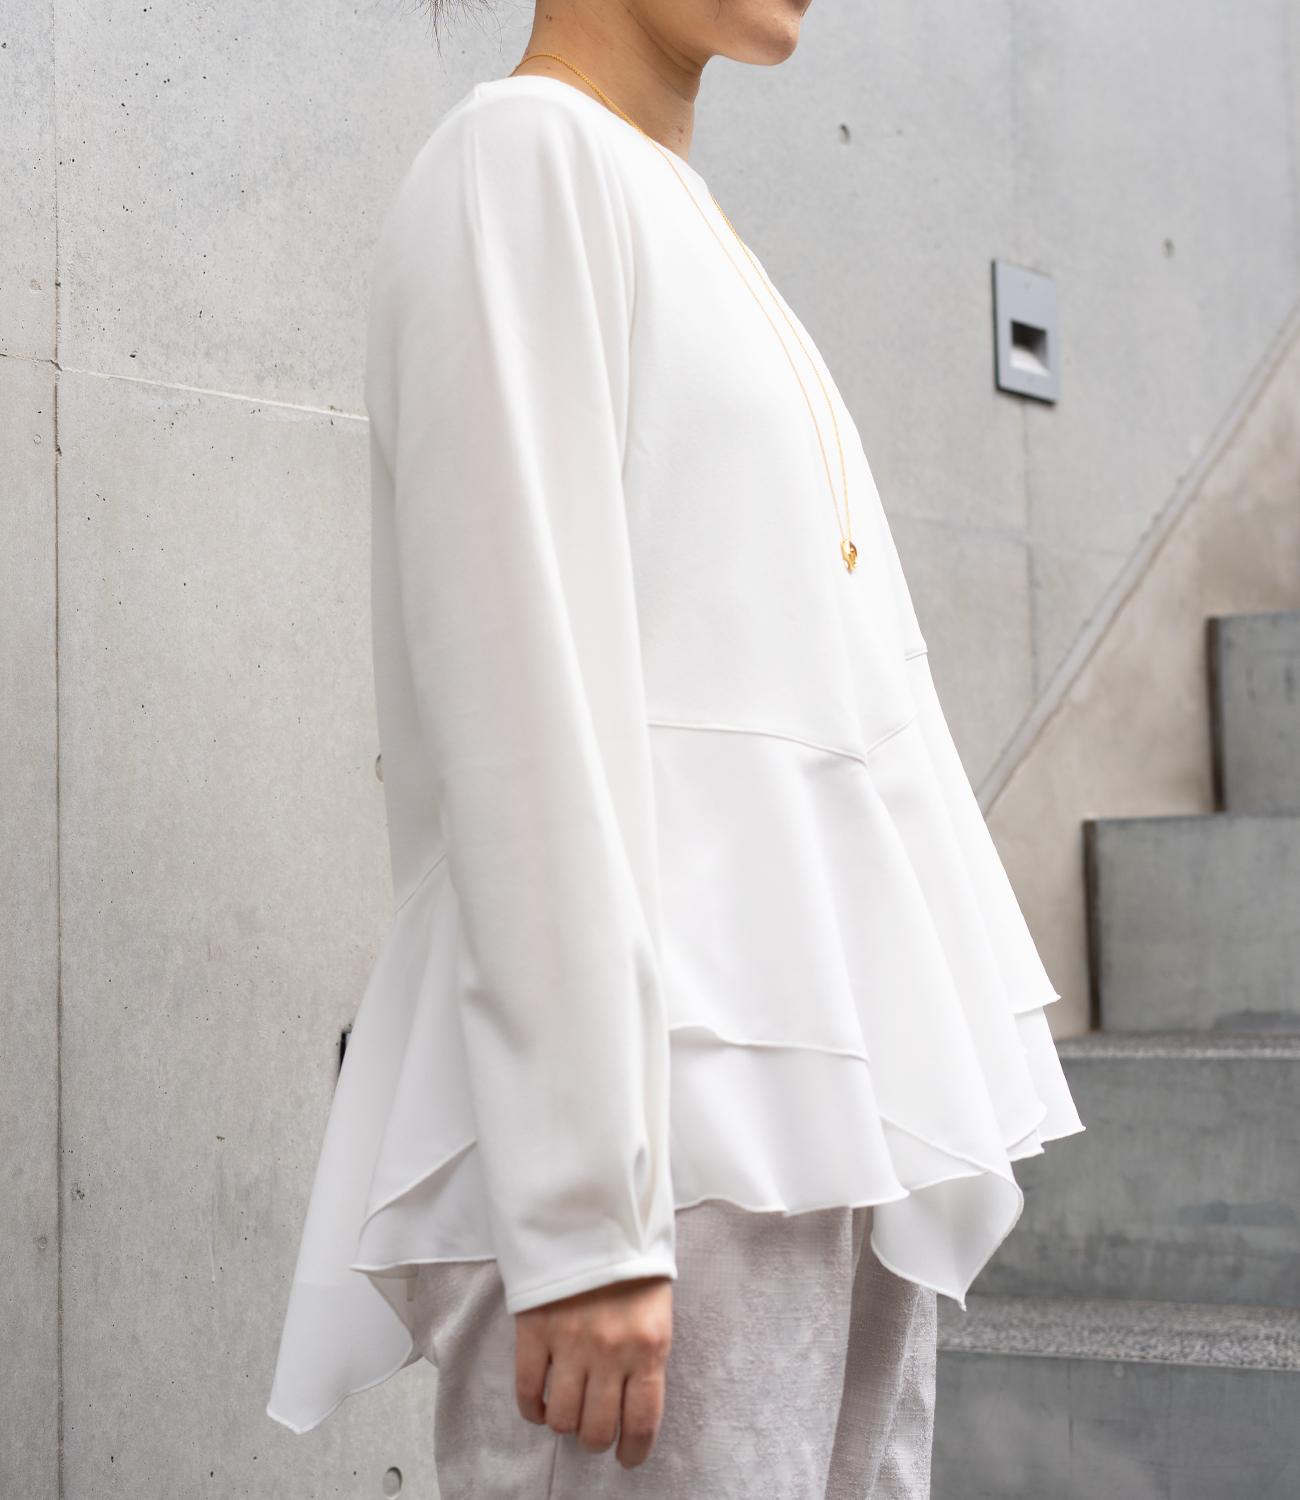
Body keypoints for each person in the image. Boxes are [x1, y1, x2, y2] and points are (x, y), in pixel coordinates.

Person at [266, 3, 1086, 1494]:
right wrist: (585, 1211)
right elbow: (521, 697)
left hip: (818, 1091)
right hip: (665, 1127)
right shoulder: (521, 159)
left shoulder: (686, 215)